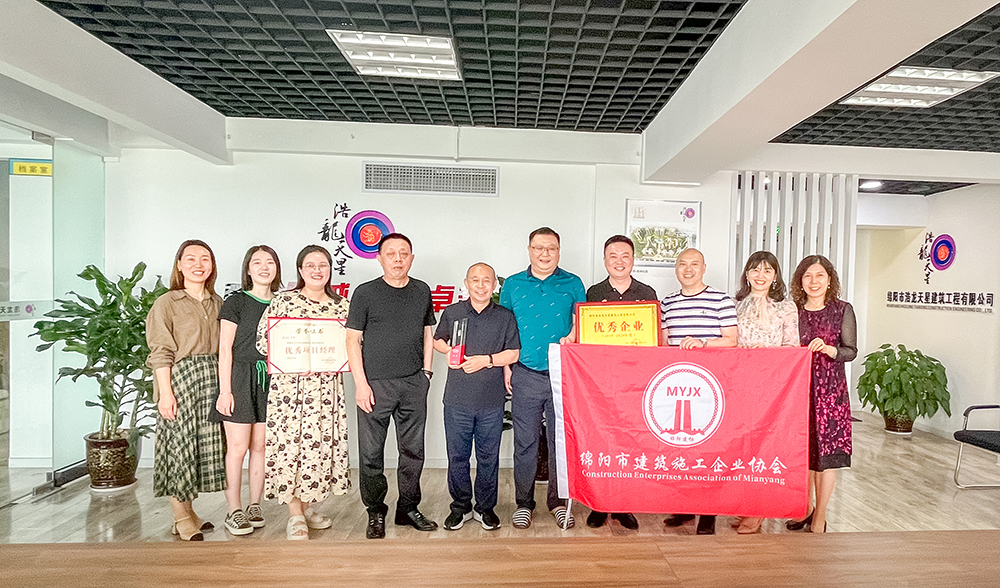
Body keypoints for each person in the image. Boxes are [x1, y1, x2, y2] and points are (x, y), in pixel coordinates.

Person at [255, 245, 351, 540]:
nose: (317, 270)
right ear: (300, 270)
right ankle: (295, 514)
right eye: (310, 265)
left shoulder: (342, 306)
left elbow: (352, 345)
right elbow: (263, 341)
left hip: (326, 390)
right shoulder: (284, 302)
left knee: (318, 448)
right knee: (291, 447)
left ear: (330, 269)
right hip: (290, 392)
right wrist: (294, 362)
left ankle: (307, 506)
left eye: (323, 265)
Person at [346, 233, 437, 539]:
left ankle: (408, 508)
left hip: (413, 382)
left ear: (411, 257)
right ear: (379, 258)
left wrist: (426, 372)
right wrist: (361, 384)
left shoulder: (421, 290)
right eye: (391, 253)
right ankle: (375, 511)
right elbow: (352, 340)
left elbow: (428, 331)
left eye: (403, 253)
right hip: (375, 385)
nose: (398, 259)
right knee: (371, 453)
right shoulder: (365, 293)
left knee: (413, 451)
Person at [500, 227, 586, 530]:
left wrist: (573, 335)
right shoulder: (513, 285)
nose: (545, 254)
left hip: (564, 374)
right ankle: (524, 503)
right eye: (539, 248)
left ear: (559, 252)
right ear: (529, 250)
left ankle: (558, 503)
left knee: (560, 442)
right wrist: (506, 367)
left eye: (551, 248)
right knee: (525, 442)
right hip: (525, 373)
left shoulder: (573, 283)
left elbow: (581, 324)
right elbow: (505, 329)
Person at [146, 239, 225, 541]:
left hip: (211, 380)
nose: (198, 264)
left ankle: (190, 512)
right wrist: (165, 393)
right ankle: (180, 517)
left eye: (205, 258)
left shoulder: (218, 303)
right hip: (180, 380)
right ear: (179, 265)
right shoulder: (167, 303)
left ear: (212, 265)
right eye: (190, 258)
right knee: (179, 447)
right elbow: (160, 350)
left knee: (197, 449)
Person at [433, 263, 520, 531]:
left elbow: (514, 353)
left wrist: (487, 360)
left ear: (494, 285)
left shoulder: (505, 316)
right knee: (457, 457)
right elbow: (437, 340)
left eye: (486, 281)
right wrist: (448, 351)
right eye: (475, 280)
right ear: (466, 283)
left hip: (491, 401)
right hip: (457, 399)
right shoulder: (453, 312)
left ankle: (485, 508)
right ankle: (460, 507)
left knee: (488, 457)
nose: (481, 285)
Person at [660, 247, 737, 535]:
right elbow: (663, 344)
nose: (688, 269)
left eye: (694, 264)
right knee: (679, 446)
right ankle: (684, 507)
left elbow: (731, 340)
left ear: (704, 268)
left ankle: (707, 512)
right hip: (675, 386)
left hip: (710, 386)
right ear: (676, 269)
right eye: (683, 264)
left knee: (708, 448)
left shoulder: (721, 300)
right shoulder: (667, 303)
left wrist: (703, 343)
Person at [584, 235, 657, 531]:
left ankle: (624, 505)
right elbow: (585, 335)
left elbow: (654, 339)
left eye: (625, 255)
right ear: (605, 260)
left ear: (633, 260)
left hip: (635, 383)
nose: (619, 261)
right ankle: (599, 504)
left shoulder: (647, 293)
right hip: (601, 382)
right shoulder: (594, 292)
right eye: (613, 256)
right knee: (601, 440)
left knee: (629, 443)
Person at [210, 245, 281, 535]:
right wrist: (225, 391)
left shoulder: (282, 303)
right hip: (239, 377)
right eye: (257, 262)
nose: (264, 267)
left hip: (271, 380)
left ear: (277, 268)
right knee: (238, 448)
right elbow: (225, 349)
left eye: (270, 262)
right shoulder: (236, 301)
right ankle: (234, 510)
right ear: (248, 270)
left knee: (260, 447)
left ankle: (254, 505)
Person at [786, 254, 857, 534]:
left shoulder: (842, 310)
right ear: (800, 281)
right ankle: (804, 508)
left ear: (829, 280)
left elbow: (851, 351)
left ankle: (821, 514)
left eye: (820, 276)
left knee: (827, 456)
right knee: (804, 453)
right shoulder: (792, 311)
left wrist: (830, 349)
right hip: (798, 390)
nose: (813, 281)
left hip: (830, 393)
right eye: (808, 276)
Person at [731, 250, 799, 534]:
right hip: (739, 384)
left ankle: (758, 510)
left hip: (771, 387)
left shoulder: (786, 307)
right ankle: (744, 504)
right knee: (742, 446)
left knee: (765, 445)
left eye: (767, 270)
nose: (761, 275)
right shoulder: (735, 304)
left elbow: (793, 348)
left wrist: (768, 353)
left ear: (775, 276)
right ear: (747, 274)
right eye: (755, 270)